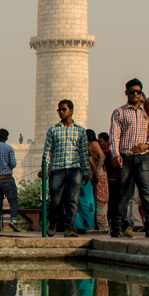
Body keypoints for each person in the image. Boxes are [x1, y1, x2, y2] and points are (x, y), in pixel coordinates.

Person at [109, 78, 149, 238]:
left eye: (138, 92)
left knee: (146, 193)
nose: (135, 94)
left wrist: (146, 146)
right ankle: (118, 226)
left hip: (143, 158)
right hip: (125, 157)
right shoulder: (119, 112)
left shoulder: (146, 112)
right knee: (123, 194)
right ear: (126, 93)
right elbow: (114, 136)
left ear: (141, 93)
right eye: (132, 92)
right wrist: (116, 155)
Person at [41, 99, 90, 236]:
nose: (61, 112)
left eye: (64, 109)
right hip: (57, 169)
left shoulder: (80, 131)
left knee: (72, 201)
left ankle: (70, 228)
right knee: (55, 201)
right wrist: (45, 168)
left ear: (71, 111)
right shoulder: (53, 130)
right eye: (59, 110)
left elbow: (83, 152)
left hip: (74, 168)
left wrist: (86, 171)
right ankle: (52, 222)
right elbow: (47, 151)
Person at [75, 129, 100, 232]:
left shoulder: (71, 147)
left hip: (72, 175)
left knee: (76, 203)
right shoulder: (83, 147)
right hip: (83, 176)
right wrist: (96, 174)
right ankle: (89, 226)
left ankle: (78, 225)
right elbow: (91, 162)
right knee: (88, 203)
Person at [87, 127, 108, 232]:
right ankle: (98, 224)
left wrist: (97, 169)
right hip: (94, 171)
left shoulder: (94, 144)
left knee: (100, 199)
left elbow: (102, 156)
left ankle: (103, 226)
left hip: (98, 172)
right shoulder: (91, 145)